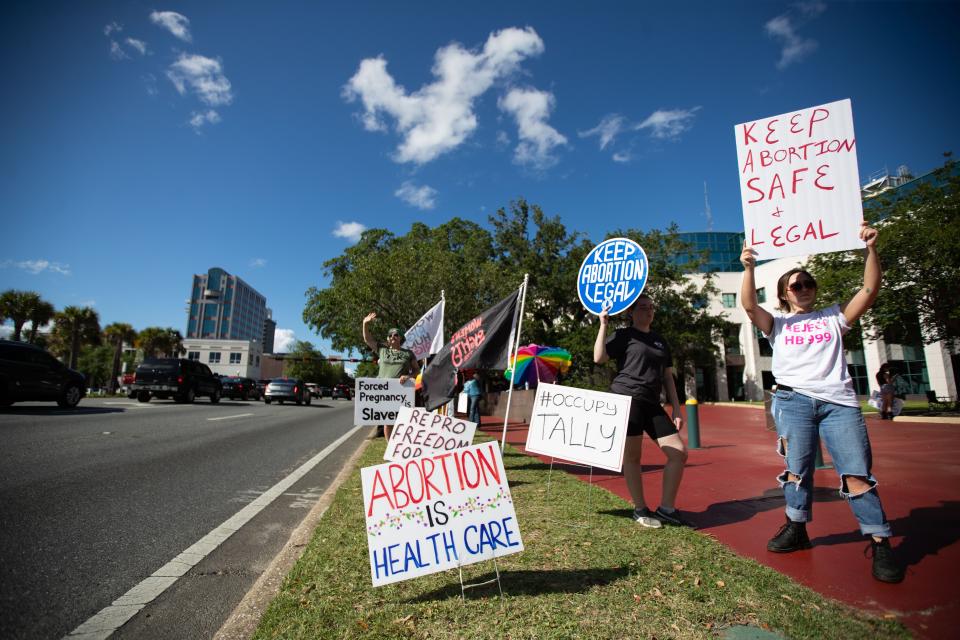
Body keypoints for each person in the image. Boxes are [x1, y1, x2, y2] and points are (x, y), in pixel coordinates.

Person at [739, 221, 904, 583]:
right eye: (796, 285)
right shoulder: (778, 324)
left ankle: (879, 541)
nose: (804, 288)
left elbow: (869, 288)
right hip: (792, 401)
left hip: (839, 404)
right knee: (797, 472)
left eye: (808, 283)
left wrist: (871, 250)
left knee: (857, 474)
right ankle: (796, 527)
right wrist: (749, 268)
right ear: (785, 294)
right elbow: (749, 306)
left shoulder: (833, 316)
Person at [594, 294, 690, 529]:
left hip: (652, 403)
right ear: (632, 312)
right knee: (633, 457)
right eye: (643, 307)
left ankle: (667, 509)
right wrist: (603, 325)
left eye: (651, 307)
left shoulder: (660, 341)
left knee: (678, 452)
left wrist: (677, 408)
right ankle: (640, 508)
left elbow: (668, 376)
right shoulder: (624, 335)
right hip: (627, 399)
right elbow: (599, 358)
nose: (648, 311)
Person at [362, 312, 418, 439]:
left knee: (402, 420)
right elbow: (368, 339)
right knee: (388, 421)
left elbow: (416, 371)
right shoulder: (382, 349)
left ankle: (400, 445)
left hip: (401, 390)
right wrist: (365, 324)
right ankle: (390, 448)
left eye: (396, 335)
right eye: (390, 335)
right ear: (387, 339)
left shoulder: (408, 353)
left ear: (400, 338)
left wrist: (408, 377)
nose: (393, 336)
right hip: (384, 391)